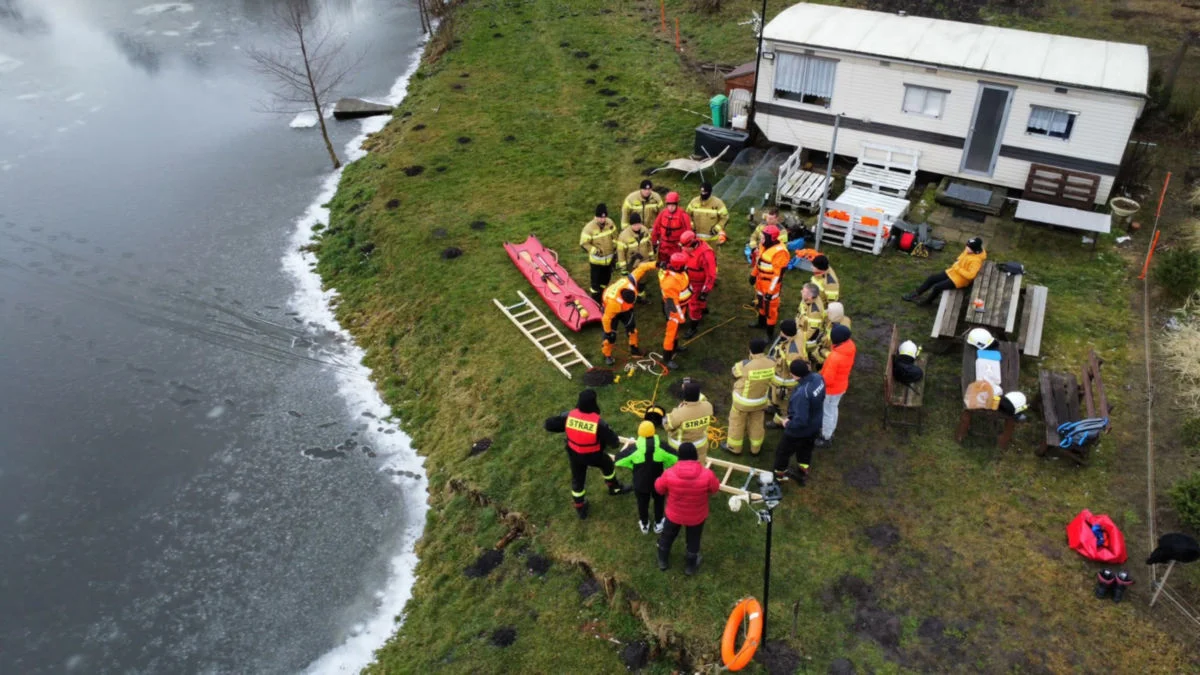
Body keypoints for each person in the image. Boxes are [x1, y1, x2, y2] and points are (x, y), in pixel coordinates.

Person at [544, 389, 631, 519]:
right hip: (593, 455)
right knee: (607, 465)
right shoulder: (598, 423)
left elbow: (548, 425)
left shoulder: (569, 416)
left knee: (578, 480)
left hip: (574, 455)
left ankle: (580, 507)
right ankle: (614, 488)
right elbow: (614, 443)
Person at [654, 442, 720, 575]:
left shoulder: (669, 473)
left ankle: (662, 560)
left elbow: (658, 488)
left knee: (667, 536)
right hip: (696, 516)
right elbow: (715, 488)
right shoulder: (707, 474)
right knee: (693, 540)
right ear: (696, 456)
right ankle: (690, 566)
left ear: (679, 456)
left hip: (674, 514)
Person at [614, 420, 678, 534]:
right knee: (659, 502)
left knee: (642, 504)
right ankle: (658, 524)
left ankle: (644, 525)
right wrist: (666, 464)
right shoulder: (662, 446)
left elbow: (618, 460)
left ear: (639, 433)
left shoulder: (634, 448)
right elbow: (676, 457)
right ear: (654, 432)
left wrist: (632, 465)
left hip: (640, 484)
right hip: (659, 483)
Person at [722, 337, 776, 456]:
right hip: (760, 401)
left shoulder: (744, 365)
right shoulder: (772, 362)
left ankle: (734, 447)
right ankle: (755, 448)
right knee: (757, 423)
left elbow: (734, 372)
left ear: (750, 350)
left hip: (742, 402)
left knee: (737, 423)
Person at [775, 360, 825, 486]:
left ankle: (779, 476)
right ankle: (803, 470)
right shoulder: (818, 378)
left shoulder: (803, 394)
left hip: (799, 431)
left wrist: (787, 423)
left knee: (782, 452)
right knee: (806, 450)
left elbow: (801, 420)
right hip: (815, 424)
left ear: (795, 375)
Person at [600, 261, 657, 365]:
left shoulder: (630, 282)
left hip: (625, 310)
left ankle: (634, 350)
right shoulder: (613, 304)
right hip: (612, 311)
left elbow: (642, 267)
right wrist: (608, 332)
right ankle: (607, 354)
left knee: (632, 330)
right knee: (610, 336)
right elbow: (606, 319)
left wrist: (656, 264)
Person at [902, 236, 987, 305]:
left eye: (968, 247)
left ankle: (927, 302)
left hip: (960, 279)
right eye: (967, 246)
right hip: (953, 271)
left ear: (974, 250)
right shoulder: (970, 251)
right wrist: (958, 260)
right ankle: (915, 294)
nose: (966, 248)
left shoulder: (976, 261)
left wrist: (957, 268)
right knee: (931, 278)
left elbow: (971, 275)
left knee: (937, 287)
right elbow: (962, 255)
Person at [816, 324, 855, 448]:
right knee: (833, 409)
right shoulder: (849, 347)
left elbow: (827, 379)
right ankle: (830, 430)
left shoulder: (835, 357)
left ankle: (826, 436)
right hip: (841, 385)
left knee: (827, 412)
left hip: (831, 390)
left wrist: (818, 380)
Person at [749, 224, 789, 339]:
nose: (761, 240)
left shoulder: (780, 253)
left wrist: (770, 292)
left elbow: (778, 276)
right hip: (761, 281)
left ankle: (769, 334)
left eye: (763, 238)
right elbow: (760, 262)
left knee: (770, 309)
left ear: (771, 238)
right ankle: (761, 324)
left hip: (771, 284)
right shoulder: (764, 245)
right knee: (761, 302)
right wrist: (753, 274)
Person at [768, 319, 807, 427]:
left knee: (782, 405)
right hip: (782, 379)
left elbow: (795, 371)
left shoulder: (792, 353)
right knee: (776, 400)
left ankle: (781, 422)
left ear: (785, 333)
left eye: (781, 331)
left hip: (786, 384)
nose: (780, 333)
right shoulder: (798, 335)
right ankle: (774, 409)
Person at [679, 229, 717, 339]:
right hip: (688, 279)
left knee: (694, 305)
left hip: (698, 283)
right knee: (690, 300)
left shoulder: (706, 254)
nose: (683, 249)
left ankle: (693, 327)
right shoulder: (687, 248)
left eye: (685, 247)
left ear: (692, 244)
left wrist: (705, 291)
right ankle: (703, 308)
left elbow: (711, 275)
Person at [664, 380, 714, 462]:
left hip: (680, 450)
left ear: (684, 395)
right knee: (699, 469)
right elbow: (703, 399)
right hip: (700, 447)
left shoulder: (679, 413)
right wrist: (692, 388)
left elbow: (667, 425)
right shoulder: (708, 407)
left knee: (679, 470)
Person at [659, 252, 692, 369]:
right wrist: (680, 317)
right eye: (684, 264)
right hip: (673, 309)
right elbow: (672, 304)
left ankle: (675, 346)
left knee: (676, 329)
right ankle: (667, 358)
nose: (686, 266)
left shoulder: (679, 273)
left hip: (681, 306)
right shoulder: (670, 283)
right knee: (671, 332)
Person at [580, 203, 618, 302]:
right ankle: (596, 301)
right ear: (595, 217)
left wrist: (615, 248)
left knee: (605, 281)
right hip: (596, 263)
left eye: (604, 217)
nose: (602, 220)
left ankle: (603, 297)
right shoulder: (589, 228)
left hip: (609, 261)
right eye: (600, 218)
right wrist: (594, 251)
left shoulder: (610, 223)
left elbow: (615, 237)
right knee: (595, 285)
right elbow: (584, 243)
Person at [651, 191, 693, 266]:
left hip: (676, 246)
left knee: (676, 266)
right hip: (663, 246)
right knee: (662, 265)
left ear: (676, 204)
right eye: (669, 205)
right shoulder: (663, 214)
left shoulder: (683, 215)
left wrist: (687, 247)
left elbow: (688, 232)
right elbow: (656, 228)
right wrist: (654, 242)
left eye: (673, 205)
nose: (671, 207)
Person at [615, 213, 654, 289]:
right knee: (632, 283)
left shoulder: (645, 230)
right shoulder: (624, 236)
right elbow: (621, 253)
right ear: (631, 225)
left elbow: (649, 245)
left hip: (644, 262)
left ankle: (641, 297)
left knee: (642, 281)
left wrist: (651, 257)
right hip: (631, 264)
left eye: (638, 224)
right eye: (634, 225)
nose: (637, 226)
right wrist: (623, 268)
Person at [796, 282, 829, 368]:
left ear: (810, 297)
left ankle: (808, 361)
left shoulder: (815, 312)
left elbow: (810, 331)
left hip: (809, 336)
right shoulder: (807, 299)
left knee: (805, 351)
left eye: (803, 291)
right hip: (801, 326)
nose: (800, 292)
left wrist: (798, 338)